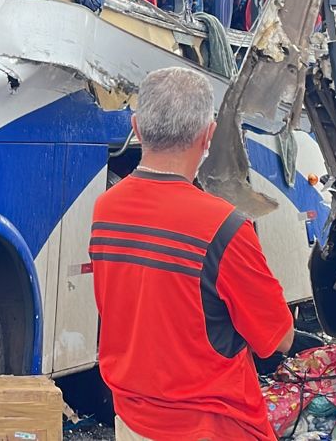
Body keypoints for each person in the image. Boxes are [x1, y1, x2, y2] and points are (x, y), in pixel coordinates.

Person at [90, 67, 294, 441]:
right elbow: (278, 338)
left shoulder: (105, 209)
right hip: (213, 426)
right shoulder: (225, 227)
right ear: (209, 136)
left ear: (136, 128)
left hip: (133, 420)